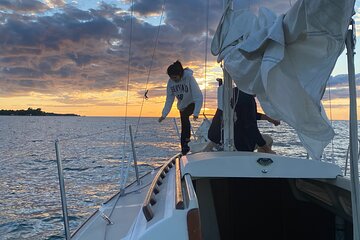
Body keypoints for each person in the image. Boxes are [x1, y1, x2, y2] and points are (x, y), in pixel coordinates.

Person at [208, 79, 279, 153]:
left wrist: (269, 119)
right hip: (236, 144)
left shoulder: (233, 92)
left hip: (215, 138)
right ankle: (259, 162)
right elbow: (251, 128)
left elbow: (249, 114)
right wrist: (267, 149)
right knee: (268, 140)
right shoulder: (247, 98)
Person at [158, 60, 203, 155]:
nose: (173, 80)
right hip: (182, 106)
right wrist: (164, 114)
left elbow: (198, 95)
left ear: (180, 74)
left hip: (192, 103)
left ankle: (187, 142)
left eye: (175, 77)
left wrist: (196, 112)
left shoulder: (189, 78)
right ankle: (184, 148)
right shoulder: (170, 83)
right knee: (184, 125)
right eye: (171, 78)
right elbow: (169, 99)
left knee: (185, 117)